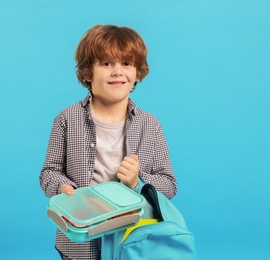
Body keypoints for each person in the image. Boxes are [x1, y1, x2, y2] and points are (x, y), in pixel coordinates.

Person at [39, 24, 177, 260]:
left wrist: (136, 182)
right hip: (80, 238)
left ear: (137, 72)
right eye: (106, 63)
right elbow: (48, 172)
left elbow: (169, 184)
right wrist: (62, 188)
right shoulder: (67, 119)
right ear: (87, 72)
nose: (117, 72)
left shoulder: (150, 125)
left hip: (132, 239)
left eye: (127, 63)